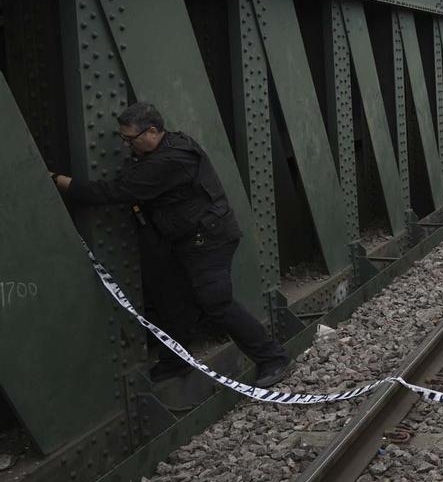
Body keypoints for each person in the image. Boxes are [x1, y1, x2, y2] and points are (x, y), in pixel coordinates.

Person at [51, 102, 290, 388]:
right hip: (186, 241)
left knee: (216, 301)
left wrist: (59, 181)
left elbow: (115, 191)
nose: (127, 146)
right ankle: (176, 362)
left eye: (131, 139)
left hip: (210, 241)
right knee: (171, 300)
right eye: (123, 139)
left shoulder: (170, 160)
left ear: (152, 131)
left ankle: (273, 358)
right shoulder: (162, 149)